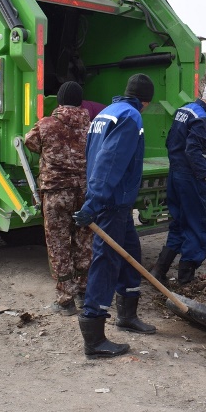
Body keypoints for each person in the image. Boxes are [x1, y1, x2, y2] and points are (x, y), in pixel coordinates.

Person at [72, 73, 156, 359]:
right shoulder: (131, 117)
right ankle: (94, 338)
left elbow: (91, 156)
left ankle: (127, 315)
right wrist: (95, 202)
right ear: (146, 101)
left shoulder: (106, 113)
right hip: (111, 203)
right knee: (105, 262)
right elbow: (109, 162)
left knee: (131, 253)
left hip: (115, 202)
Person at [24, 81, 92, 316]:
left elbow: (29, 142)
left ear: (60, 101)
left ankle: (65, 300)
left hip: (56, 194)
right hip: (84, 193)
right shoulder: (91, 126)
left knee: (58, 244)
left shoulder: (46, 125)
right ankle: (84, 292)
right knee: (84, 241)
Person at [150, 82, 206, 286]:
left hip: (175, 173)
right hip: (190, 177)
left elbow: (170, 141)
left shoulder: (183, 110)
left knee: (178, 222)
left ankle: (160, 269)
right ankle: (186, 278)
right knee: (195, 224)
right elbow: (194, 150)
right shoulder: (202, 118)